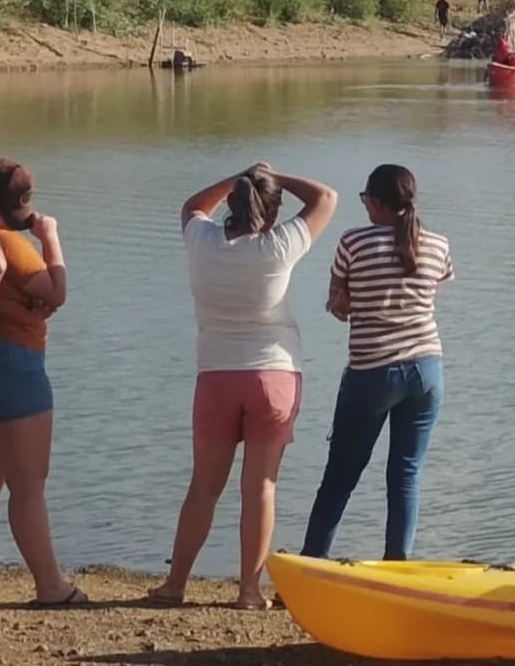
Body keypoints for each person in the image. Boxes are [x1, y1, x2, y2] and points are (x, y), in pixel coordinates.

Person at [149, 163, 338, 610]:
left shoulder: (203, 241)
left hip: (215, 377)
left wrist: (241, 175)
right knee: (261, 488)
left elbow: (193, 206)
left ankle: (175, 585)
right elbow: (326, 198)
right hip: (273, 376)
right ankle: (249, 592)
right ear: (271, 214)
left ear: (231, 203)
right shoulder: (278, 246)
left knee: (203, 487)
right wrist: (278, 176)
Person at [300, 164, 453, 561]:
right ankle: (396, 568)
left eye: (367, 199)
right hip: (427, 370)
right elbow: (429, 292)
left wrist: (349, 301)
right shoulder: (437, 244)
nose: (365, 205)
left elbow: (339, 305)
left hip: (373, 372)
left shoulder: (354, 243)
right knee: (406, 475)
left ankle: (312, 564)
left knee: (340, 477)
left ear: (379, 203)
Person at [0, 159, 87, 607]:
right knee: (28, 483)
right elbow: (56, 292)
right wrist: (49, 236)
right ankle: (51, 585)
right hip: (16, 365)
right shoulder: (10, 245)